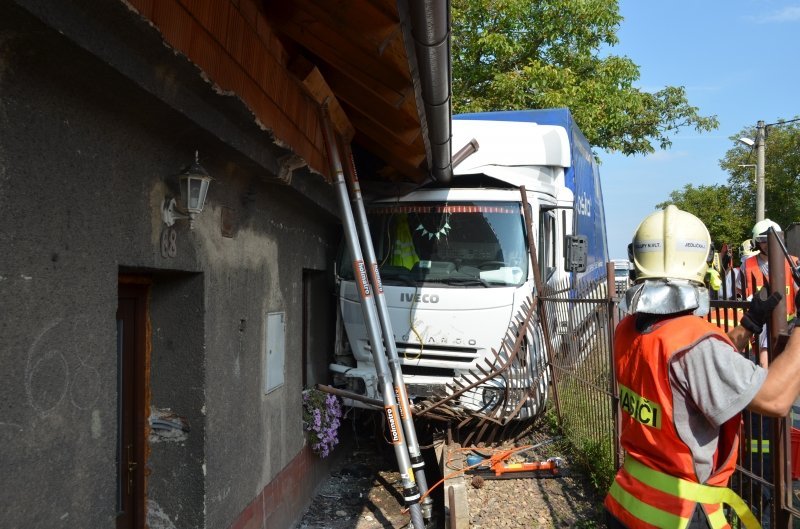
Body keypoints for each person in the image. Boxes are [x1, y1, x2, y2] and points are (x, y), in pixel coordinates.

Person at [604, 205, 800, 529]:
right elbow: (776, 399)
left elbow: (694, 364)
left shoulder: (627, 329)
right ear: (701, 263)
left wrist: (749, 323)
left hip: (627, 503)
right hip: (679, 516)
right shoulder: (694, 344)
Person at [738, 219, 800, 368]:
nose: (767, 243)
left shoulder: (793, 262)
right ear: (756, 242)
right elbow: (739, 293)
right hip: (760, 320)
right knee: (765, 361)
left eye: (770, 239)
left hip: (788, 321)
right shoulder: (747, 264)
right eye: (762, 240)